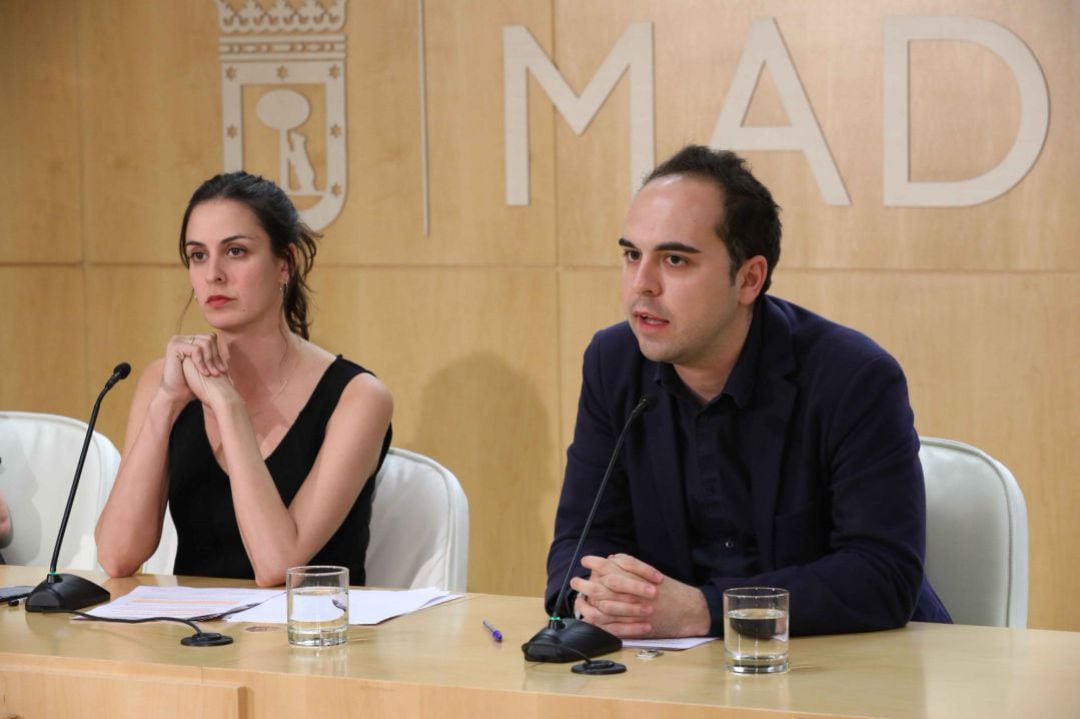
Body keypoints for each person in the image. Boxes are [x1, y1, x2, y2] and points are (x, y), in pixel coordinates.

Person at [546, 145, 951, 637]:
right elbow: (582, 539)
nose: (641, 285)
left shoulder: (853, 378)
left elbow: (881, 575)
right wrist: (599, 596)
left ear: (749, 278)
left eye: (674, 260)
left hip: (850, 674)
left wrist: (705, 610)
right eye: (632, 255)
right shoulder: (614, 364)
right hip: (681, 676)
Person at [95, 172, 393, 586]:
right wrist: (165, 403)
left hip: (314, 639)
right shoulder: (162, 383)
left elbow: (276, 566)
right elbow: (116, 555)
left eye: (235, 251)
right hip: (193, 640)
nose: (213, 274)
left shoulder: (358, 397)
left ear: (284, 264)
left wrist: (228, 405)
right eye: (198, 255)